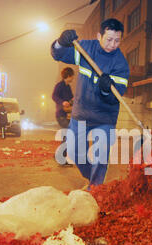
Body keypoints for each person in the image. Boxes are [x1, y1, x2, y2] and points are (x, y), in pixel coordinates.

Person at [51, 18, 130, 188]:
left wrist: (106, 89)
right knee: (75, 153)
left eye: (117, 40)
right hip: (81, 115)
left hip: (104, 118)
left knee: (100, 158)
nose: (112, 44)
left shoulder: (121, 64)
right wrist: (60, 42)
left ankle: (95, 189)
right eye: (109, 39)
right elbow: (58, 55)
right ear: (99, 36)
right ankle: (91, 178)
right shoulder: (86, 48)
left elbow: (117, 96)